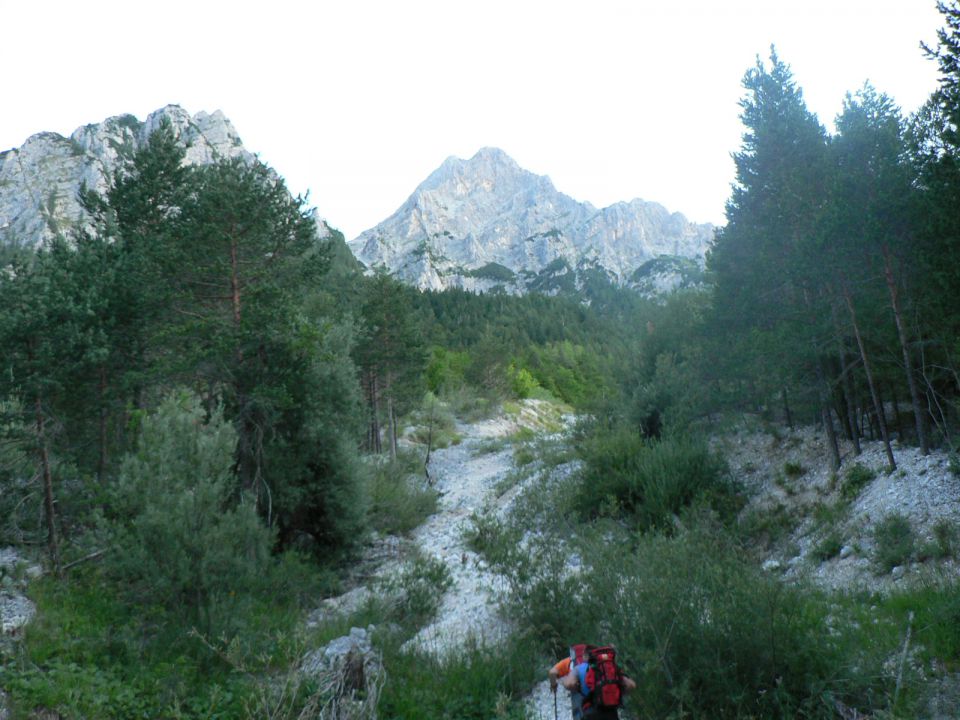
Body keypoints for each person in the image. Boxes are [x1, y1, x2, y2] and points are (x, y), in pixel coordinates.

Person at [548, 646, 636, 719]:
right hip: (611, 712)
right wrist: (617, 692)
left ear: (585, 655)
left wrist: (563, 682)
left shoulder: (579, 668)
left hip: (590, 713)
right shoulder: (610, 669)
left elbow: (569, 684)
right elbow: (631, 685)